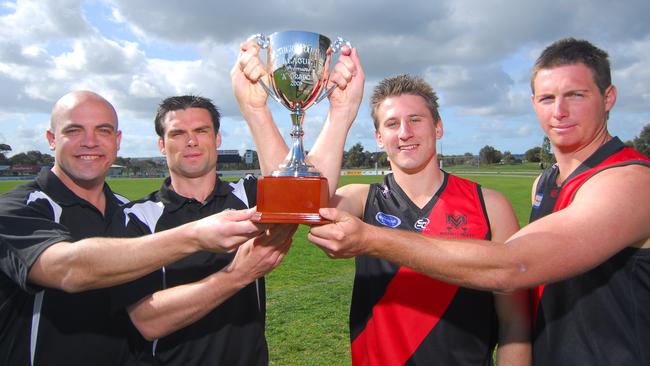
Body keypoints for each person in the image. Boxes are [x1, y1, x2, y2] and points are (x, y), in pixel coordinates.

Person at [309, 38, 650, 365]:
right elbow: (306, 203)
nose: (559, 111)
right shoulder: (546, 184)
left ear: (608, 98)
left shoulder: (632, 181)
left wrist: (370, 238)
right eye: (547, 98)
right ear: (534, 103)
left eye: (576, 95)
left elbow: (514, 269)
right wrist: (342, 112)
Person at [110, 41, 363, 363]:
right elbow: (146, 321)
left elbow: (311, 194)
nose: (190, 141)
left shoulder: (245, 196)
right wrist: (238, 275)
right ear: (161, 144)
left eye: (201, 130)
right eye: (177, 133)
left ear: (217, 139)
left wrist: (337, 112)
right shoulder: (136, 218)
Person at [0, 91, 269, 366]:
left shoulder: (123, 210)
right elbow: (68, 270)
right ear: (51, 139)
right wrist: (196, 236)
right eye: (74, 130)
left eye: (103, 130)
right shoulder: (18, 207)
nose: (90, 142)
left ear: (117, 141)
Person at [319, 74, 531, 365]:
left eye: (416, 119)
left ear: (438, 127)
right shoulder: (359, 199)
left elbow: (515, 324)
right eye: (392, 124)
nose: (405, 133)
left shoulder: (490, 206)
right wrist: (340, 115)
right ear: (379, 137)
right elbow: (307, 203)